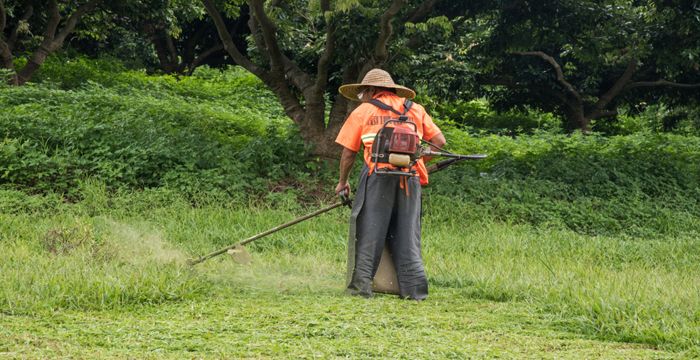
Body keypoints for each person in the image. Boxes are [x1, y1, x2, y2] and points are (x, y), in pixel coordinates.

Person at [334, 68, 446, 300]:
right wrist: (416, 161)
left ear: (371, 90)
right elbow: (439, 142)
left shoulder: (364, 111)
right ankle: (414, 291)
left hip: (378, 178)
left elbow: (348, 153)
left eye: (362, 93)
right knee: (408, 234)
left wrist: (342, 182)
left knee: (370, 232)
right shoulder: (414, 109)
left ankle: (361, 288)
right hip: (410, 178)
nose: (361, 97)